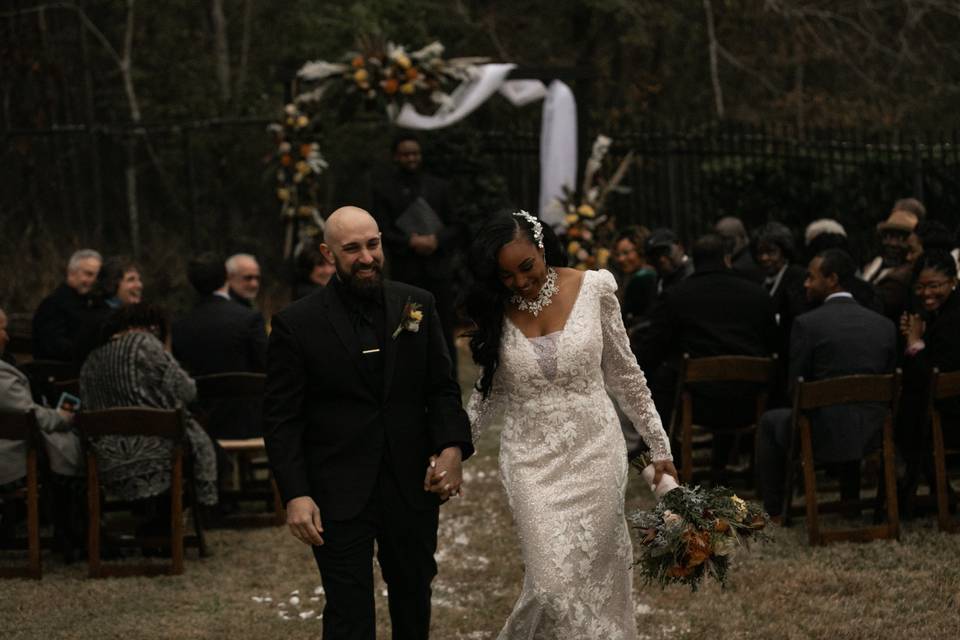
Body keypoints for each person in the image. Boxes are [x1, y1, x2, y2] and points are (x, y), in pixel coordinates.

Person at [263, 206, 472, 640]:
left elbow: (442, 388)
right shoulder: (295, 324)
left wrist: (452, 448)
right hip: (337, 489)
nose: (366, 257)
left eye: (372, 244)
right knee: (348, 609)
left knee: (414, 598)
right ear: (328, 254)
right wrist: (296, 493)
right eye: (352, 248)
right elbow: (283, 418)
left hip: (410, 484)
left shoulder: (418, 304)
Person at [464, 211, 676, 639]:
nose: (521, 283)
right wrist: (454, 448)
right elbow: (487, 394)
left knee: (591, 575)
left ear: (542, 248)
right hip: (529, 462)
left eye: (527, 267)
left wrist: (660, 446)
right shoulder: (496, 310)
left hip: (595, 450)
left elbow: (627, 376)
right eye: (507, 276)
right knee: (550, 585)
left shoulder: (594, 287)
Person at [756, 249, 897, 517]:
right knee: (852, 409)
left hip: (821, 437)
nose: (805, 283)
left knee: (770, 422)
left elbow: (794, 390)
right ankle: (851, 502)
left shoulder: (807, 325)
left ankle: (774, 509)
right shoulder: (883, 325)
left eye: (811, 277)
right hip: (874, 435)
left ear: (832, 279)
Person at [639, 234, 778, 478]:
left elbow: (653, 349)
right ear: (726, 258)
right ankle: (726, 463)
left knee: (662, 377)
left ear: (694, 259)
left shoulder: (677, 296)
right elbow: (772, 343)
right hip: (750, 399)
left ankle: (673, 458)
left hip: (697, 402)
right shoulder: (757, 294)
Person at [79, 304, 218, 513]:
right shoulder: (145, 344)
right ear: (152, 327)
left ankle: (150, 523)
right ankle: (166, 524)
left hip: (105, 459)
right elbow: (187, 391)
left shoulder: (91, 360)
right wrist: (167, 352)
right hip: (159, 455)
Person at [370, 133, 462, 368]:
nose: (411, 158)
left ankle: (447, 374)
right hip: (407, 275)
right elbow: (381, 230)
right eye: (405, 154)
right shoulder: (385, 190)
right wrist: (410, 242)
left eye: (415, 153)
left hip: (438, 273)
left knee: (442, 325)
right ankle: (411, 375)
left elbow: (456, 225)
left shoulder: (439, 187)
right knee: (410, 325)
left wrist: (435, 240)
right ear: (396, 157)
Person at [0, 306, 85, 557]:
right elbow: (32, 417)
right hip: (11, 462)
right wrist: (63, 417)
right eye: (2, 329)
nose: (7, 337)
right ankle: (75, 537)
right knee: (68, 455)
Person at [172, 252, 267, 439]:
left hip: (200, 424)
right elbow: (267, 365)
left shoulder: (180, 325)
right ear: (226, 278)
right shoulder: (249, 319)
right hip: (248, 423)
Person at [897, 250, 960, 515]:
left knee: (905, 420)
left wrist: (913, 343)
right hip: (942, 412)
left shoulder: (953, 318)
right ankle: (940, 492)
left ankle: (902, 500)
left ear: (953, 281)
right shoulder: (942, 312)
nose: (926, 294)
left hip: (951, 417)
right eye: (921, 287)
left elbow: (932, 376)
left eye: (934, 286)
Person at [31, 248, 102, 361]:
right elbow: (53, 347)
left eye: (97, 276)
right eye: (88, 274)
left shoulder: (92, 304)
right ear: (71, 272)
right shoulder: (53, 305)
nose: (93, 280)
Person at [862, 204, 923, 322]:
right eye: (888, 236)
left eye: (901, 239)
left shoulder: (905, 274)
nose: (893, 244)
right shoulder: (876, 265)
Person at [613, 225, 657, 325]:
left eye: (626, 253)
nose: (621, 259)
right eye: (618, 254)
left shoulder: (641, 279)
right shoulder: (655, 274)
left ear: (641, 250)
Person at [715, 215, 764, 282]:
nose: (721, 243)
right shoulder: (733, 260)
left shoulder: (747, 264)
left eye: (725, 239)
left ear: (741, 237)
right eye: (718, 239)